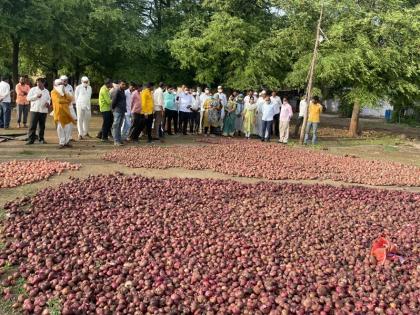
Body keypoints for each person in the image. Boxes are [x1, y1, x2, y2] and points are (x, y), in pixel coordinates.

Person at [51, 79, 75, 148]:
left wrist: (64, 93)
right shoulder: (53, 92)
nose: (61, 85)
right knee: (60, 127)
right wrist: (66, 101)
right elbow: (58, 101)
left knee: (68, 127)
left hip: (67, 112)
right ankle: (61, 143)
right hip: (59, 112)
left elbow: (71, 99)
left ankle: (67, 142)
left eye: (62, 84)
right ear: (55, 85)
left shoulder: (65, 92)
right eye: (59, 84)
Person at [26, 78, 50, 145]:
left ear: (43, 83)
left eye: (39, 82)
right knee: (32, 125)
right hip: (34, 110)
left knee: (42, 126)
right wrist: (36, 96)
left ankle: (41, 139)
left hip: (43, 111)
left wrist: (48, 103)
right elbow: (28, 98)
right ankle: (31, 140)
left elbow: (48, 99)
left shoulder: (46, 91)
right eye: (37, 82)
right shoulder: (33, 89)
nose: (38, 84)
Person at [111, 80, 127, 146]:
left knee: (119, 126)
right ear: (119, 84)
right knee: (116, 126)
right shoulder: (116, 91)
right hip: (117, 111)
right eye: (122, 84)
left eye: (125, 84)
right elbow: (113, 101)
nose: (124, 86)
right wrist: (113, 109)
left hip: (122, 110)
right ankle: (116, 141)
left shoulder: (122, 91)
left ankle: (119, 140)